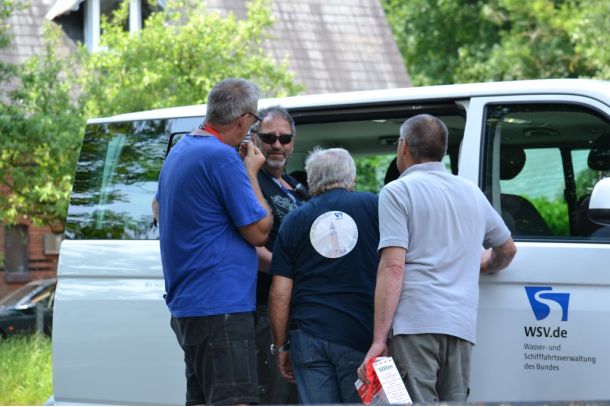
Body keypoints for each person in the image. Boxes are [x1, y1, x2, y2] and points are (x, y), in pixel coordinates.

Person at [358, 114, 517, 403]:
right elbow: (507, 249)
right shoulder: (471, 192)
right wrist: (483, 263)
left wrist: (379, 340)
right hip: (461, 326)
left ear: (403, 147)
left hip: (415, 324)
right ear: (442, 150)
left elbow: (393, 267)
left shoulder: (397, 191)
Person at [156, 78, 273, 405]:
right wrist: (251, 173)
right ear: (244, 120)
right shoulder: (221, 157)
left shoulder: (180, 152)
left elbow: (158, 209)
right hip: (221, 307)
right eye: (255, 121)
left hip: (191, 306)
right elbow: (259, 230)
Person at [268, 147, 379, 404]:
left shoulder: (294, 220)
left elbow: (280, 293)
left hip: (308, 337)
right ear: (352, 177)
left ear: (311, 180)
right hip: (361, 334)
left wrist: (281, 345)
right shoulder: (374, 207)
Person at [250, 106, 306, 404]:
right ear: (254, 138)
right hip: (264, 310)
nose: (277, 145)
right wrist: (293, 272)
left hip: (296, 309)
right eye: (269, 137)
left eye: (284, 138)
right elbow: (249, 249)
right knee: (276, 396)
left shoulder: (295, 185)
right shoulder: (248, 181)